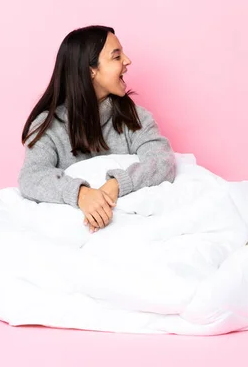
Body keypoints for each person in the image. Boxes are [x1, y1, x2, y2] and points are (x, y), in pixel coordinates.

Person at [18, 25, 176, 233]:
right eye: (116, 57)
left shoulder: (132, 116)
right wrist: (82, 194)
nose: (127, 61)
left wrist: (116, 185)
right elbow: (31, 177)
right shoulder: (49, 125)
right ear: (90, 70)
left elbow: (162, 160)